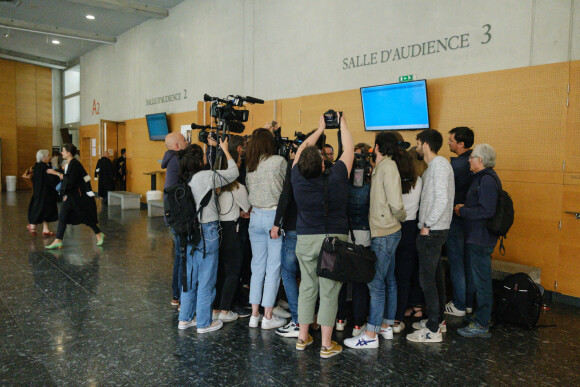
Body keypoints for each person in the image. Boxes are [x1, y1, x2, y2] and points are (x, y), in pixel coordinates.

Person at [292, 114, 354, 359]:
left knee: (307, 288)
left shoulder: (296, 177)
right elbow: (348, 148)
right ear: (321, 165)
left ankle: (302, 337)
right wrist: (342, 125)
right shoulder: (337, 177)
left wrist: (318, 129)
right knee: (329, 291)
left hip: (306, 239)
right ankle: (326, 345)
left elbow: (301, 151)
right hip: (333, 242)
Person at [344, 132, 406, 349]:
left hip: (384, 231)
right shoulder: (384, 166)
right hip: (388, 230)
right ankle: (387, 325)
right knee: (388, 279)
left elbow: (396, 204)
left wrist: (399, 217)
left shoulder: (388, 167)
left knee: (375, 283)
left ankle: (371, 334)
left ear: (378, 147)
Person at [177, 138, 239, 333]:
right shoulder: (206, 176)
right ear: (198, 161)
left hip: (188, 233)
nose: (206, 156)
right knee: (206, 278)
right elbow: (233, 173)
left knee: (190, 277)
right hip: (207, 231)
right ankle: (204, 322)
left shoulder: (183, 179)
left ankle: (185, 318)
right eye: (203, 155)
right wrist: (226, 151)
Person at [406, 130, 454, 343]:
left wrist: (427, 224)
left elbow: (442, 199)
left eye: (417, 143)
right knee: (435, 277)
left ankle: (433, 329)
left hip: (432, 231)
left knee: (427, 280)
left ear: (424, 144)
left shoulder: (440, 165)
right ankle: (438, 321)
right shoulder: (433, 167)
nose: (416, 147)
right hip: (433, 230)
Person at [455, 144, 500, 338]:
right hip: (477, 237)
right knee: (479, 279)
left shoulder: (487, 180)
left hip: (481, 238)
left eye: (472, 157)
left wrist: (462, 211)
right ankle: (481, 316)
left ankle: (482, 323)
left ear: (480, 161)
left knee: (482, 282)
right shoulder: (482, 178)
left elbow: (486, 210)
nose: (469, 160)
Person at [245, 128, 288, 330]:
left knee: (257, 267)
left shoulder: (250, 165)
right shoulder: (279, 161)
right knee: (273, 268)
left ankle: (254, 315)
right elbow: (287, 188)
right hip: (273, 218)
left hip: (254, 217)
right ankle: (268, 316)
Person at [336, 143, 372, 337]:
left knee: (341, 280)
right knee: (360, 283)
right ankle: (358, 324)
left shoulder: (342, 184)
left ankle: (340, 319)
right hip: (364, 237)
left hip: (343, 235)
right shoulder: (370, 186)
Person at [212, 154, 251, 323]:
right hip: (231, 231)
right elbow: (247, 208)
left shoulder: (212, 187)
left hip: (214, 230)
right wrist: (243, 212)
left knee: (219, 271)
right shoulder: (238, 188)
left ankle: (215, 308)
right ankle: (226, 310)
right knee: (232, 272)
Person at [46, 144, 104, 249]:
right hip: (70, 196)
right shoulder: (71, 164)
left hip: (75, 197)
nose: (62, 153)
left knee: (83, 217)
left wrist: (56, 174)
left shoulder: (74, 164)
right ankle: (58, 240)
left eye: (63, 151)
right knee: (63, 217)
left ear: (69, 152)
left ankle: (99, 234)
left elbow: (71, 181)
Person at [445, 126, 475, 317]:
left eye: (451, 140)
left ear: (461, 143)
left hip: (456, 219)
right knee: (468, 262)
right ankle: (469, 303)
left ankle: (459, 304)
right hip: (470, 220)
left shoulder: (457, 166)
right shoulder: (473, 162)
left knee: (456, 262)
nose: (448, 142)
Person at [393, 150, 423, 332]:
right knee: (404, 276)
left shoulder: (392, 180)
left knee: (389, 275)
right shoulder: (418, 181)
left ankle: (384, 315)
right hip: (411, 228)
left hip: (393, 226)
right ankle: (398, 318)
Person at [161, 132, 189, 307]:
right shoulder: (178, 160)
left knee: (179, 255)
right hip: (178, 216)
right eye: (185, 140)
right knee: (181, 255)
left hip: (172, 214)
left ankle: (176, 295)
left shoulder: (170, 158)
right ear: (177, 145)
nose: (187, 142)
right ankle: (178, 295)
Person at [26, 149, 59, 236]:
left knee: (45, 211)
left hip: (39, 192)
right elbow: (51, 180)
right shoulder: (45, 168)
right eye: (48, 155)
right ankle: (32, 225)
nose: (50, 157)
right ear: (43, 157)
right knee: (41, 210)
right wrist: (58, 174)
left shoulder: (36, 166)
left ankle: (46, 230)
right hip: (45, 194)